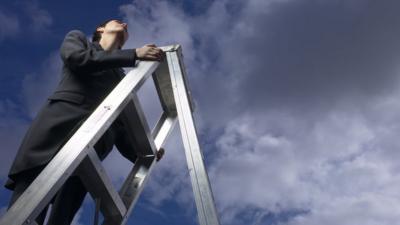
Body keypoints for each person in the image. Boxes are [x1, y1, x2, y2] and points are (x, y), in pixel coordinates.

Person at [4, 19, 163, 225]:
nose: (124, 24)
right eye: (117, 22)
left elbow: (122, 126)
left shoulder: (122, 78)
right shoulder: (78, 40)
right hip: (53, 139)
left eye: (126, 26)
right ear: (100, 29)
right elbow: (77, 59)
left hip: (87, 157)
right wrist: (133, 55)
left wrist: (144, 150)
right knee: (24, 214)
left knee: (61, 220)